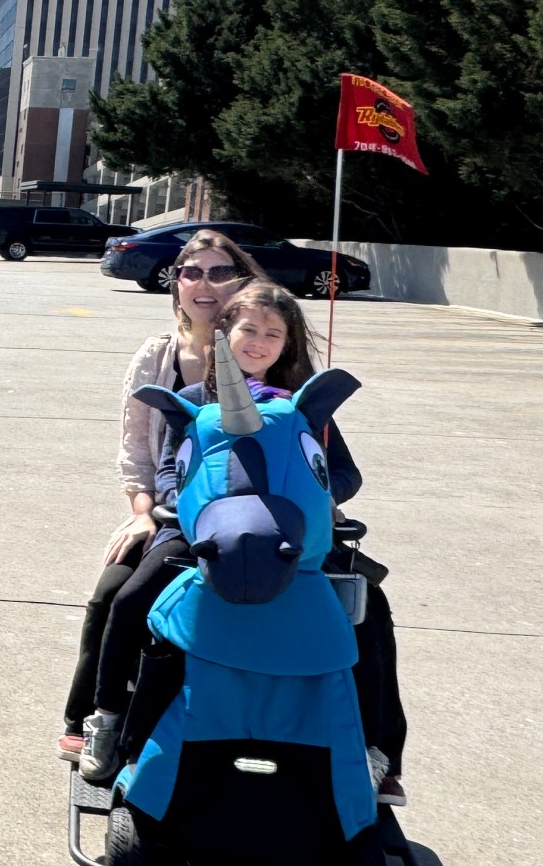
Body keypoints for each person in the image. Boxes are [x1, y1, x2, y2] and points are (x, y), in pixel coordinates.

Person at [83, 282, 407, 804]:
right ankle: (108, 715)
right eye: (248, 330)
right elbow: (170, 470)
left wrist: (320, 491)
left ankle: (376, 747)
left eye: (273, 334)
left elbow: (345, 474)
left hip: (292, 541)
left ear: (286, 345)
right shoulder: (191, 403)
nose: (258, 342)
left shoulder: (303, 409)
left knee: (372, 616)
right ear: (223, 336)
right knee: (130, 599)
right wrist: (188, 501)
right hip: (200, 536)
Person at [58, 229, 264, 760]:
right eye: (191, 272)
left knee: (362, 607)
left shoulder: (266, 348)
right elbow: (137, 452)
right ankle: (91, 715)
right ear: (175, 285)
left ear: (241, 281)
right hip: (168, 513)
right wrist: (143, 514)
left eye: (220, 272)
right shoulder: (159, 357)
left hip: (257, 518)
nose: (204, 284)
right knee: (113, 595)